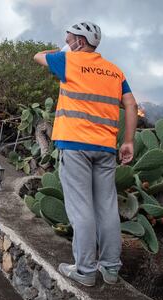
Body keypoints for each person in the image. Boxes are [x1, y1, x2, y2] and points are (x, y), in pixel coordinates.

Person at [33, 21, 138, 286]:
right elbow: (131, 104)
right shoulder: (115, 71)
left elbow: (38, 56)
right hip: (104, 148)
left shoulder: (69, 61)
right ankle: (111, 269)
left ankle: (85, 270)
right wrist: (128, 142)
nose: (66, 42)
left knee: (81, 209)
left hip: (75, 145)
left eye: (69, 38)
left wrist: (66, 49)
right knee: (106, 207)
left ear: (79, 41)